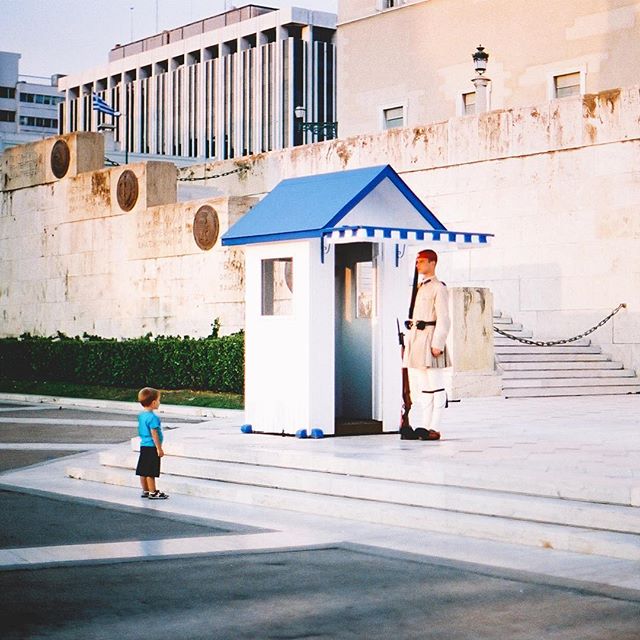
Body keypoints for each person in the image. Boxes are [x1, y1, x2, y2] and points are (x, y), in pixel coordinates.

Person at [402, 249, 451, 440]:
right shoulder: (420, 287)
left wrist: (438, 342)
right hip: (417, 339)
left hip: (430, 339)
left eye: (422, 262)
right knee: (423, 387)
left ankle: (435, 426)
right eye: (417, 262)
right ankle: (423, 425)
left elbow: (444, 318)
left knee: (436, 386)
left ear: (433, 263)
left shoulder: (439, 287)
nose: (418, 265)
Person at [135, 387, 169, 499]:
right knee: (151, 471)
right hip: (152, 446)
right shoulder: (153, 417)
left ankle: (145, 490)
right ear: (154, 402)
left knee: (143, 470)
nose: (159, 402)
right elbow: (154, 433)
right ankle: (153, 492)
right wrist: (159, 448)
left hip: (144, 445)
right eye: (159, 400)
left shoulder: (141, 415)